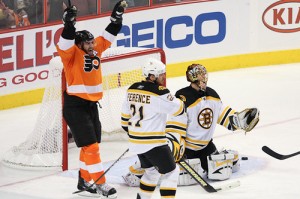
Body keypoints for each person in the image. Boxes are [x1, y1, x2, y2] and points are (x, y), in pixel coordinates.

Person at [123, 63, 260, 186]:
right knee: (180, 176)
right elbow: (175, 127)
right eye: (200, 75)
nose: (203, 78)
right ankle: (139, 168)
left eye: (204, 74)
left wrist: (239, 120)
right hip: (187, 149)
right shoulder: (183, 97)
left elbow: (223, 116)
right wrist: (177, 147)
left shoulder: (212, 94)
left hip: (206, 146)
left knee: (221, 172)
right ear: (193, 78)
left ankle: (223, 156)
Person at [56, 1, 127, 198]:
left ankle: (84, 179)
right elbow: (65, 41)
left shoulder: (95, 49)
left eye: (91, 43)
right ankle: (100, 183)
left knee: (90, 144)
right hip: (75, 105)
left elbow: (108, 35)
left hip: (91, 105)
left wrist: (117, 17)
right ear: (79, 45)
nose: (91, 45)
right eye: (87, 43)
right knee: (92, 146)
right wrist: (69, 24)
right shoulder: (70, 55)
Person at [121, 58, 185, 199]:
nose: (164, 76)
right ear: (151, 76)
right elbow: (179, 109)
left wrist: (137, 135)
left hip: (136, 143)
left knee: (151, 172)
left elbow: (124, 121)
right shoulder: (159, 92)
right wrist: (182, 100)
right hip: (154, 144)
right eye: (161, 74)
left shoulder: (131, 89)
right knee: (172, 172)